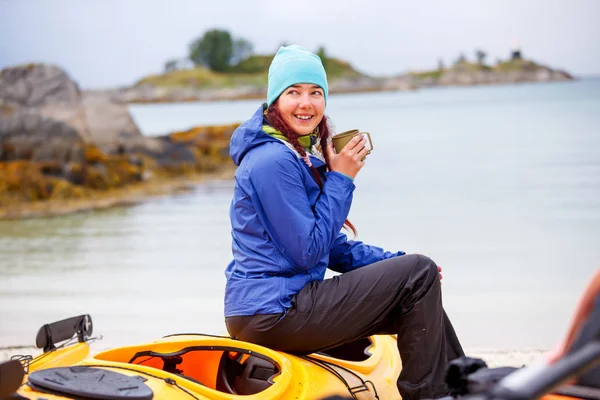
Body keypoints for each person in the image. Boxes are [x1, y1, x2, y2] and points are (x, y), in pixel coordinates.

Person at [224, 45, 464, 399]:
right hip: (272, 311)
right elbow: (307, 253)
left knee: (418, 286)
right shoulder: (271, 161)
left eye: (315, 93)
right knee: (419, 273)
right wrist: (342, 179)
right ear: (275, 100)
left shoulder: (294, 155)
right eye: (294, 92)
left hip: (276, 307)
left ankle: (465, 385)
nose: (306, 103)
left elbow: (332, 247)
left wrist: (395, 261)